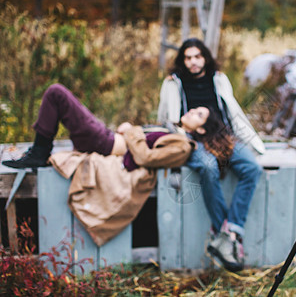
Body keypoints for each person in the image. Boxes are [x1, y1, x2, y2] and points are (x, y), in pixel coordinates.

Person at [158, 38, 264, 272]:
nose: (193, 62)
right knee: (208, 167)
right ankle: (225, 235)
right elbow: (166, 116)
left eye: (197, 56)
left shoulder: (219, 78)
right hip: (192, 140)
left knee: (252, 168)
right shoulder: (173, 83)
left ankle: (231, 230)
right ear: (182, 61)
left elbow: (231, 109)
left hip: (222, 135)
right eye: (188, 57)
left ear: (205, 57)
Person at [2, 83, 214, 171]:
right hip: (107, 137)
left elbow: (146, 158)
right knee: (60, 96)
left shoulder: (183, 146)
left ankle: (39, 152)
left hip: (105, 143)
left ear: (202, 130)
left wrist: (131, 130)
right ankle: (39, 151)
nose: (192, 110)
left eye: (199, 114)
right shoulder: (173, 130)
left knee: (56, 92)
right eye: (195, 109)